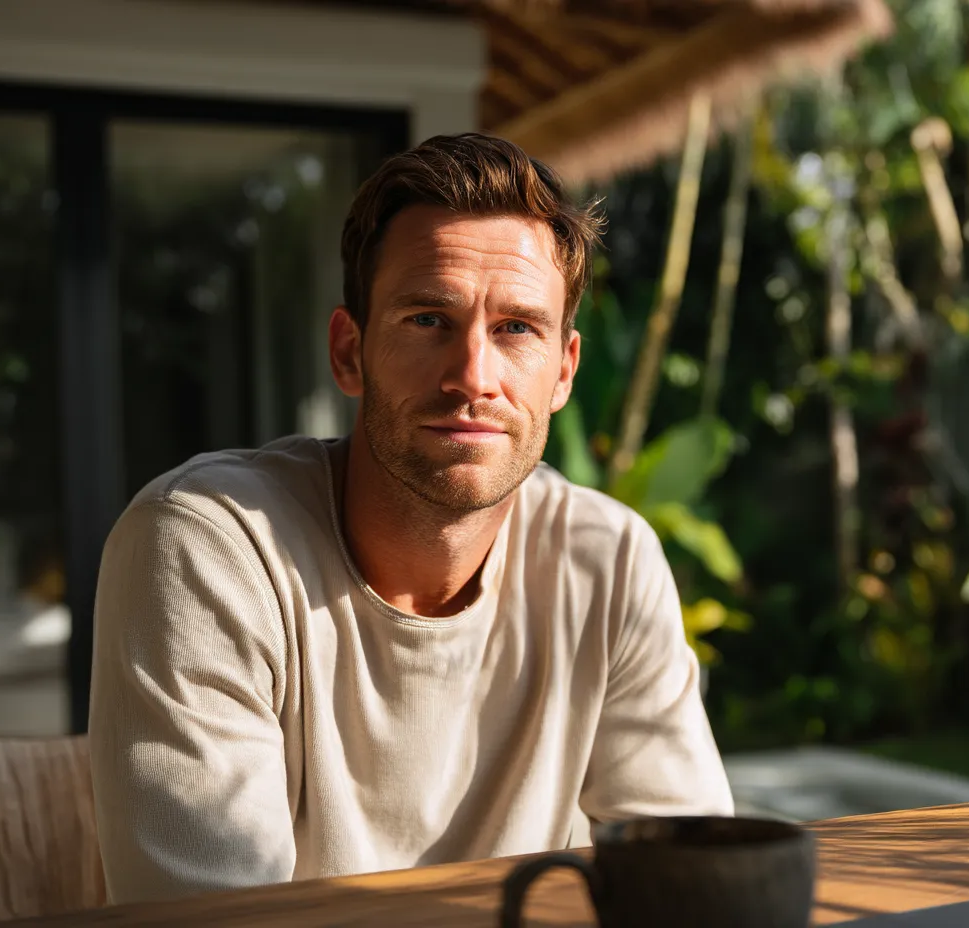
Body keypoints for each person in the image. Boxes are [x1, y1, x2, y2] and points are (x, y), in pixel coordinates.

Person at [88, 133, 734, 903]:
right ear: (349, 352)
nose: (472, 377)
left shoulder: (608, 560)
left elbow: (690, 888)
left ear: (563, 372)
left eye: (517, 328)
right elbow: (218, 922)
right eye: (428, 319)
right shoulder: (209, 547)